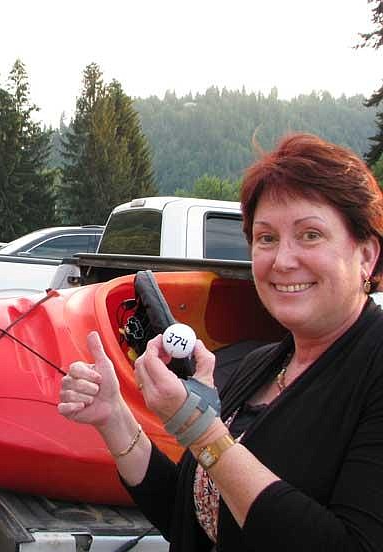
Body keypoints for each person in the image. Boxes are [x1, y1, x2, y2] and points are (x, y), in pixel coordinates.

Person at [59, 133, 383, 551]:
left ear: (367, 255)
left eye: (310, 235)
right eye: (266, 238)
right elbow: (194, 514)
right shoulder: (263, 365)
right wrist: (114, 416)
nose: (283, 260)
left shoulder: (374, 368)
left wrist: (199, 427)